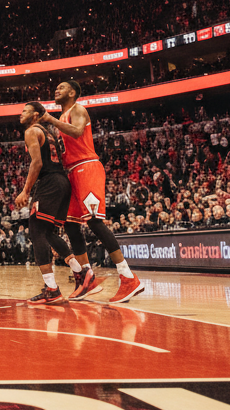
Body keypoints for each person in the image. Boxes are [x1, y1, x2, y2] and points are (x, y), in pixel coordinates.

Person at [39, 80, 143, 303]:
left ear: (73, 92)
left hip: (86, 167)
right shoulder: (59, 120)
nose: (56, 89)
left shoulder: (78, 109)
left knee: (95, 222)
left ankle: (128, 277)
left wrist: (50, 120)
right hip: (71, 172)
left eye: (62, 87)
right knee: (70, 225)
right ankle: (88, 278)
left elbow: (77, 132)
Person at [14, 102, 73, 305]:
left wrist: (25, 191)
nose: (21, 114)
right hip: (62, 181)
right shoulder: (50, 133)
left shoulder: (31, 131)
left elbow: (37, 162)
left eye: (25, 111)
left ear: (35, 115)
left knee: (37, 231)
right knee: (48, 233)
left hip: (49, 182)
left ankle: (52, 288)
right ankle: (80, 272)